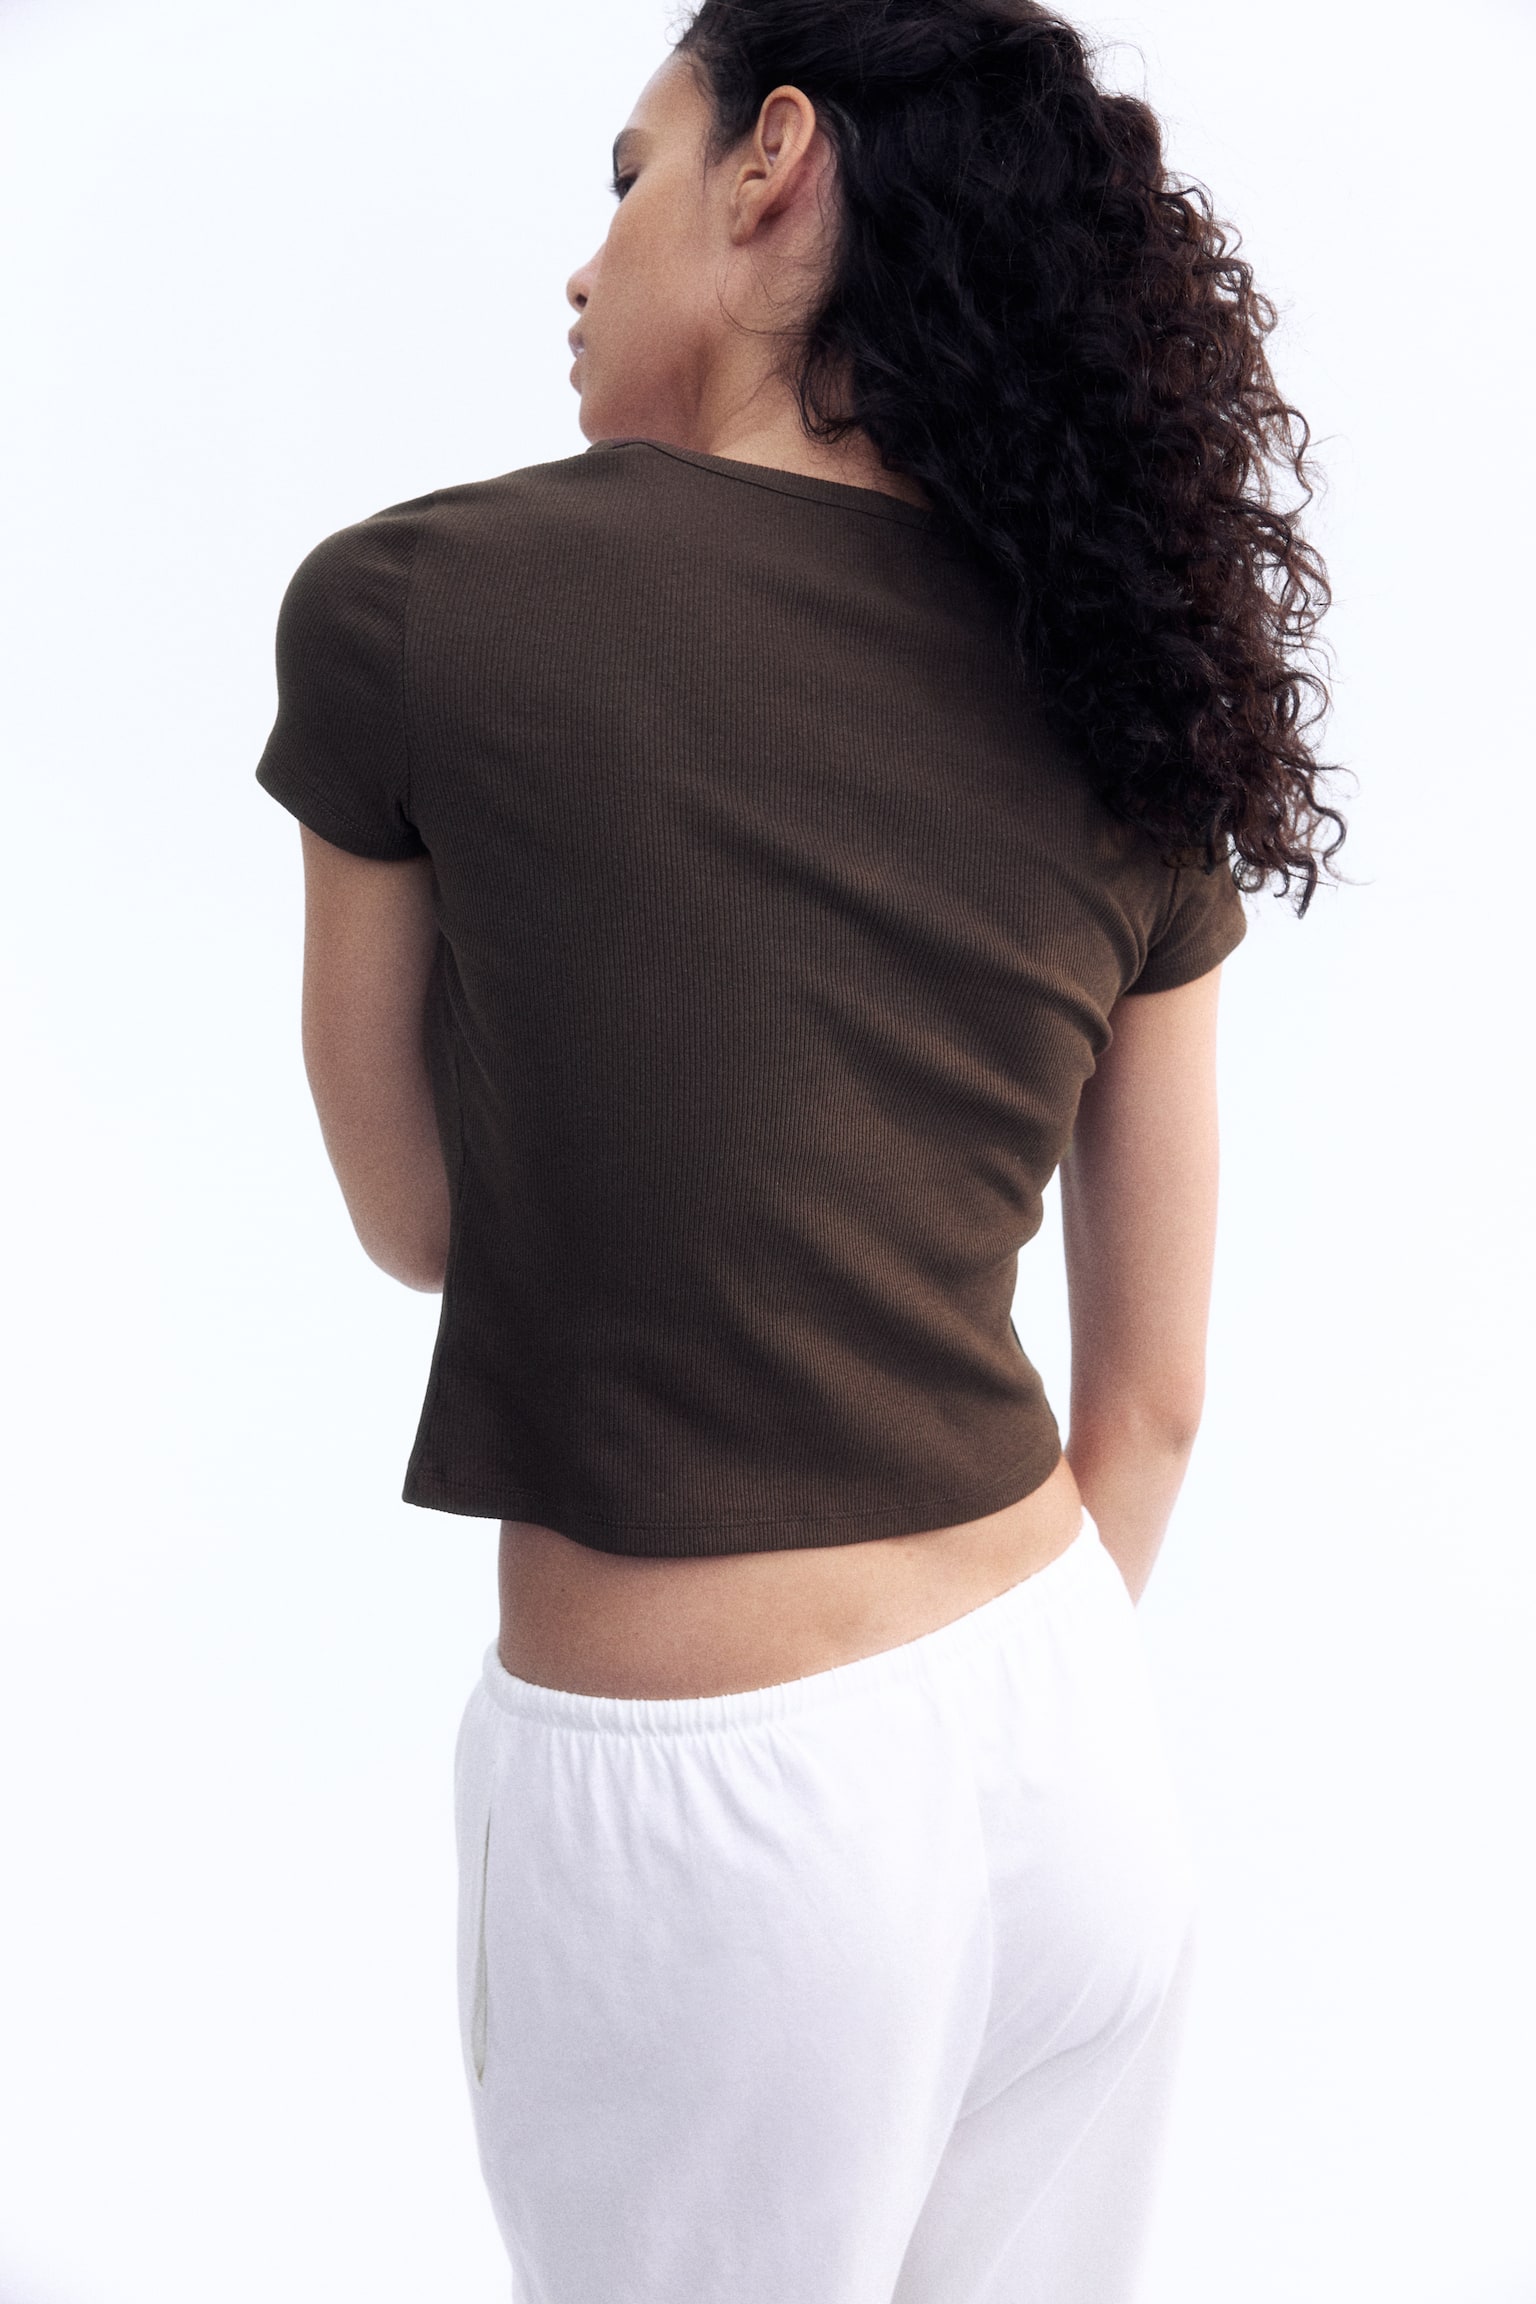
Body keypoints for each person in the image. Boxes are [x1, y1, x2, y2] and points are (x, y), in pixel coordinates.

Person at [254, 1, 1341, 2295]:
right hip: (1070, 1750)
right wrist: (966, 1738)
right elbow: (1157, 1397)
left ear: (776, 165)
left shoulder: (413, 609)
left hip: (719, 1824)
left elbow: (426, 1223)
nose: (582, 265)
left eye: (627, 174)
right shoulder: (1130, 685)